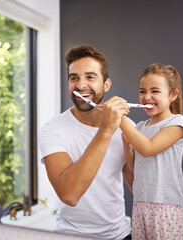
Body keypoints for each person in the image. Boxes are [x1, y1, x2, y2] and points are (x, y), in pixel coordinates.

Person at [39, 45, 133, 239]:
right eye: (74, 78)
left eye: (90, 77)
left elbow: (137, 182)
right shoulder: (53, 130)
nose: (81, 85)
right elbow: (69, 195)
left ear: (106, 84)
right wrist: (106, 130)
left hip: (121, 234)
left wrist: (174, 217)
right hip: (72, 235)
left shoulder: (126, 126)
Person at [119, 63, 183, 240]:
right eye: (142, 91)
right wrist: (126, 146)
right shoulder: (140, 127)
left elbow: (148, 150)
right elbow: (135, 166)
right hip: (140, 205)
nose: (146, 97)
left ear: (173, 95)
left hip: (165, 206)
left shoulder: (176, 123)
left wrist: (119, 119)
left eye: (155, 91)